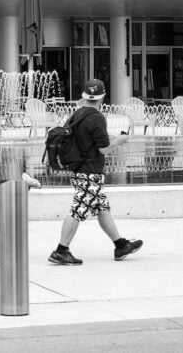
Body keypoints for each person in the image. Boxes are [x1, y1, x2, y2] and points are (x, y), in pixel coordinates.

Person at [48, 78, 142, 266]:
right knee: (77, 210)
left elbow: (90, 139)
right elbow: (103, 149)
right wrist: (119, 141)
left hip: (79, 170)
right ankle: (60, 251)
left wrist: (110, 139)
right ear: (103, 96)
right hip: (89, 171)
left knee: (102, 208)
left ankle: (120, 245)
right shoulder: (97, 117)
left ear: (84, 96)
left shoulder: (77, 114)